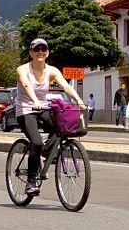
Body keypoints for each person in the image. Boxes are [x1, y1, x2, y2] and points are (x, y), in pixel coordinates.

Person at [14, 38, 85, 195]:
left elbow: (65, 86)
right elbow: (26, 85)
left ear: (48, 52)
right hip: (26, 110)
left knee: (61, 128)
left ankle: (46, 152)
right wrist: (34, 101)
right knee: (37, 142)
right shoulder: (23, 69)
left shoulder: (52, 70)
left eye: (43, 49)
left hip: (43, 107)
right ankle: (31, 181)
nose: (40, 52)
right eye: (37, 49)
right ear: (31, 52)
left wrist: (79, 101)